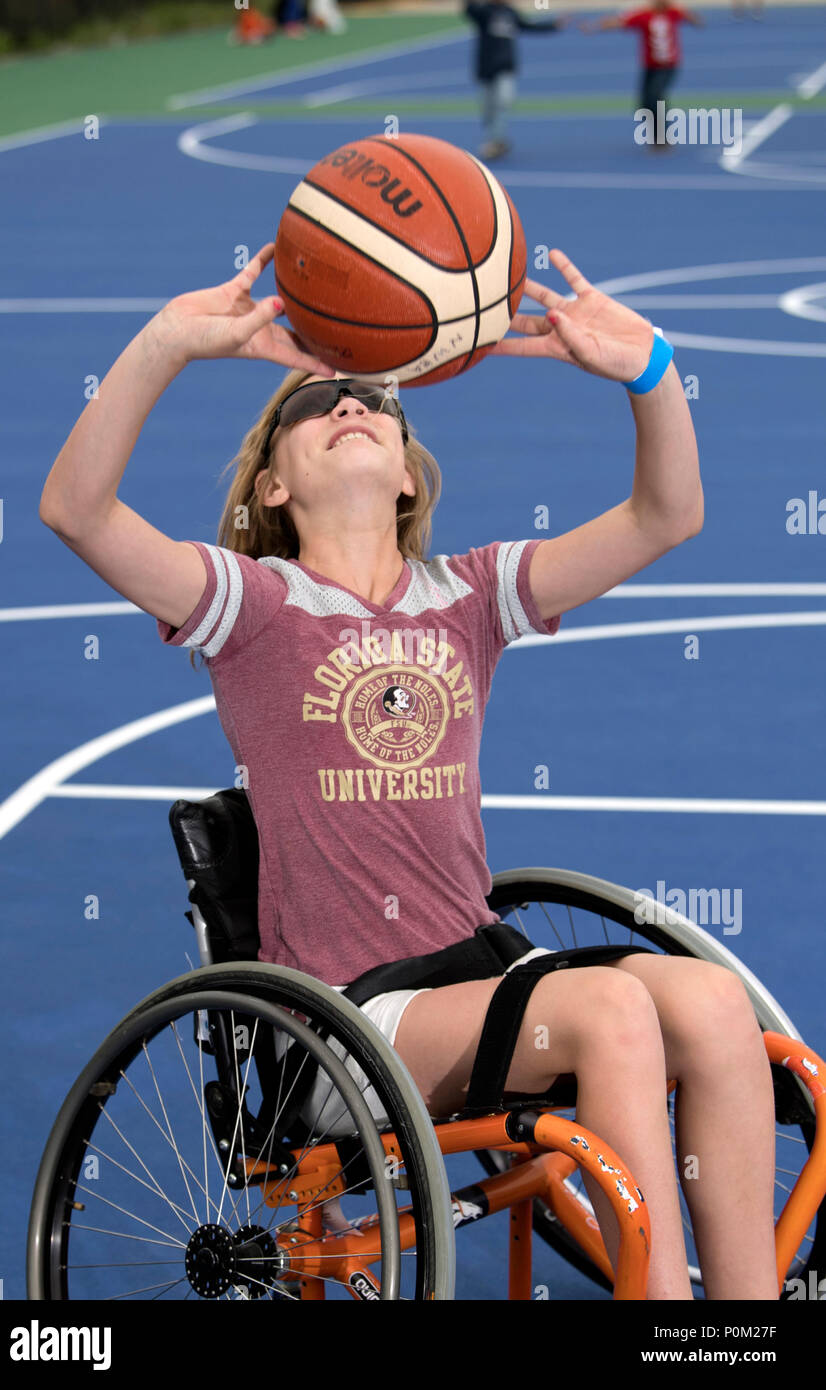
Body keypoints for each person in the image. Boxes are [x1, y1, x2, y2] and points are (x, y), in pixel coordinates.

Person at [39, 244, 779, 1300]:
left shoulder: (468, 594)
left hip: (479, 972)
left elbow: (667, 515)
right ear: (274, 483)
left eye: (375, 400)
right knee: (612, 1013)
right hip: (345, 1018)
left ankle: (741, 1325)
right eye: (315, 401)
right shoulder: (250, 605)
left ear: (403, 473)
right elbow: (76, 509)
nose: (350, 402)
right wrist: (167, 342)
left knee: (709, 999)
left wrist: (649, 371)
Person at [579, 0, 704, 151]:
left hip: (668, 65)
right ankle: (653, 135)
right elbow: (619, 22)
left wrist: (693, 18)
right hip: (650, 67)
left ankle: (663, 137)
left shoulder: (673, 13)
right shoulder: (644, 15)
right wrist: (594, 26)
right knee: (645, 103)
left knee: (656, 97)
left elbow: (695, 20)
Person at [463, 1, 563, 160]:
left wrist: (553, 25)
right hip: (486, 68)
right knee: (488, 110)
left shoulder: (509, 12)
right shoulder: (484, 12)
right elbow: (469, 9)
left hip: (506, 67)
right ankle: (495, 138)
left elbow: (527, 26)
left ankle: (496, 142)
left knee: (503, 101)